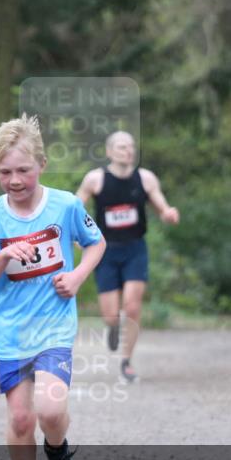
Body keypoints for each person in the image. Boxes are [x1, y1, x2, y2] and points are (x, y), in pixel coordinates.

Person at [0, 114, 106, 460]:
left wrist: (78, 276)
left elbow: (96, 243)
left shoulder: (65, 205)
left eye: (23, 170)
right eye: (5, 172)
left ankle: (58, 449)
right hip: (12, 331)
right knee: (19, 419)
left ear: (42, 165)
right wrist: (4, 255)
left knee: (49, 410)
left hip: (53, 326)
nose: (15, 180)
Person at [76, 131, 179, 384]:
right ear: (110, 151)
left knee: (132, 306)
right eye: (122, 147)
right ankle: (112, 327)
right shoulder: (95, 179)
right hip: (105, 251)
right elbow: (75, 209)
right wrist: (79, 236)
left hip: (135, 248)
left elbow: (161, 207)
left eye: (131, 146)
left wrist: (168, 214)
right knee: (110, 315)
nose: (128, 151)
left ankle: (126, 362)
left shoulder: (145, 179)